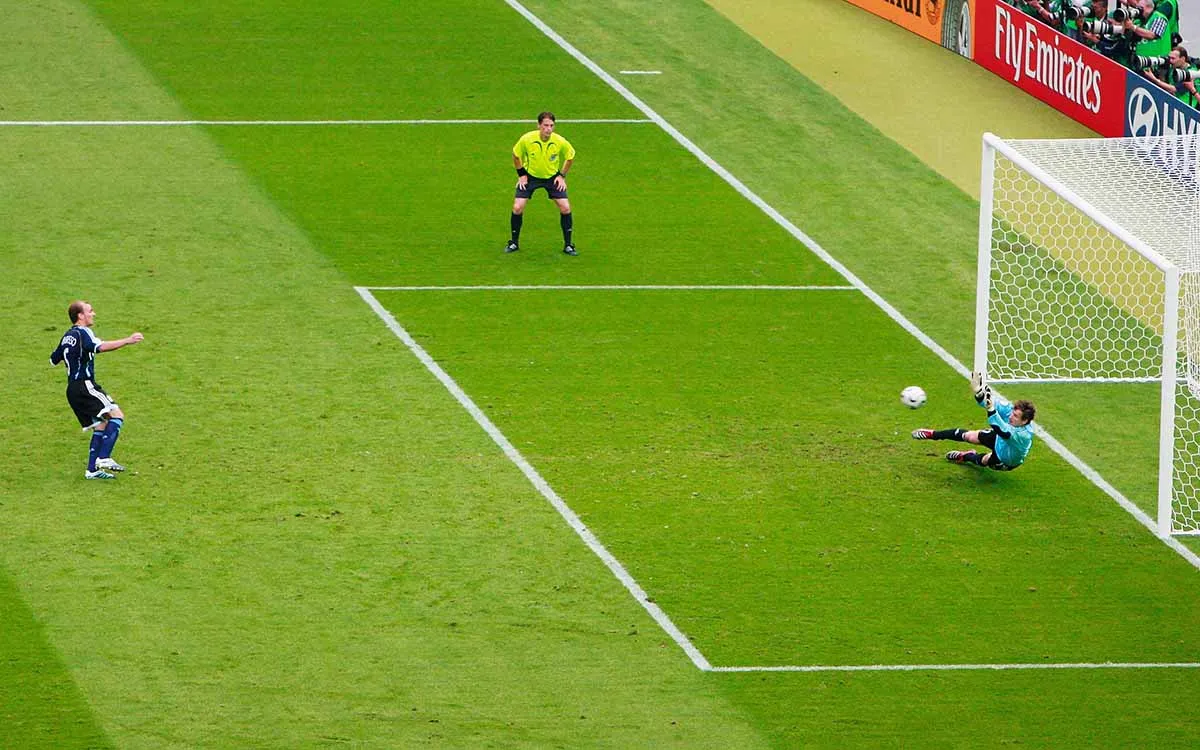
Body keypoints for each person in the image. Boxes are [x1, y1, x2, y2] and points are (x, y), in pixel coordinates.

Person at [50, 301, 144, 479]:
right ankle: (104, 458)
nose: (93, 314)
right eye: (90, 311)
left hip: (72, 389)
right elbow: (100, 347)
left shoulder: (67, 336)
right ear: (80, 316)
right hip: (85, 385)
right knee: (117, 415)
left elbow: (54, 359)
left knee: (101, 423)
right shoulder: (83, 332)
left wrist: (74, 363)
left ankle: (91, 470)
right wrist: (128, 340)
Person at [911, 373, 1037, 471]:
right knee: (969, 436)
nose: (1010, 416)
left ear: (1024, 421)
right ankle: (932, 434)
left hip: (1006, 458)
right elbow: (988, 401)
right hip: (999, 438)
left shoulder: (1023, 435)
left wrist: (991, 409)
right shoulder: (1010, 410)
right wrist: (979, 393)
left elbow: (1002, 430)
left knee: (984, 460)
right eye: (1012, 413)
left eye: (1015, 416)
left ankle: (966, 456)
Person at [505, 111, 577, 256]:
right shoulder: (527, 139)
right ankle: (513, 243)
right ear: (539, 125)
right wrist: (522, 175)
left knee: (565, 208)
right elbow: (516, 155)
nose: (548, 129)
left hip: (552, 178)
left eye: (551, 125)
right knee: (517, 207)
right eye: (545, 125)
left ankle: (568, 245)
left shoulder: (559, 141)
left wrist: (562, 176)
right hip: (530, 177)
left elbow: (570, 157)